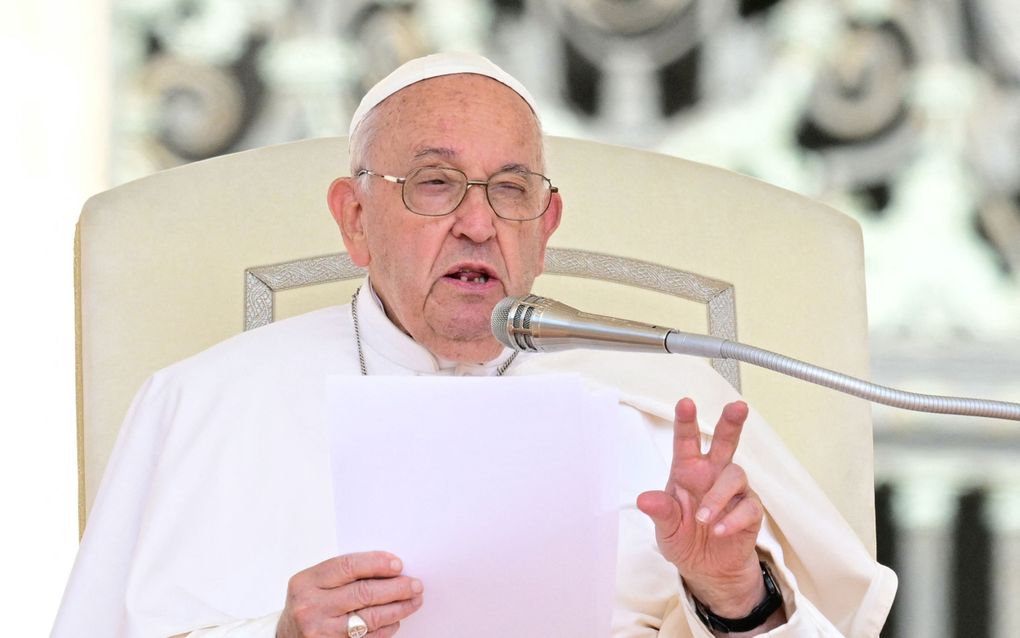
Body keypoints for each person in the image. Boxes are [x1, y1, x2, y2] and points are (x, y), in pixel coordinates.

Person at [52, 53, 896, 638]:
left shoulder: (663, 400)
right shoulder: (204, 404)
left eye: (510, 189)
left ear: (546, 224)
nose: (477, 222)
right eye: (434, 183)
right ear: (353, 218)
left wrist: (732, 593)